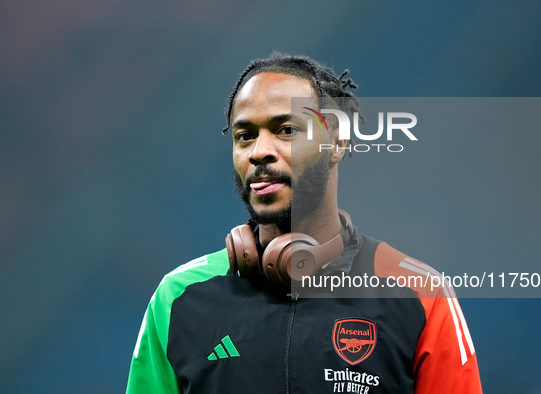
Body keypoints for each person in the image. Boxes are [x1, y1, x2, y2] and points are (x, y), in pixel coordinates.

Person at [126, 53, 482, 393]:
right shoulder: (177, 297)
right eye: (244, 135)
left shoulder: (419, 294)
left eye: (286, 129)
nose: (258, 151)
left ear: (338, 143)